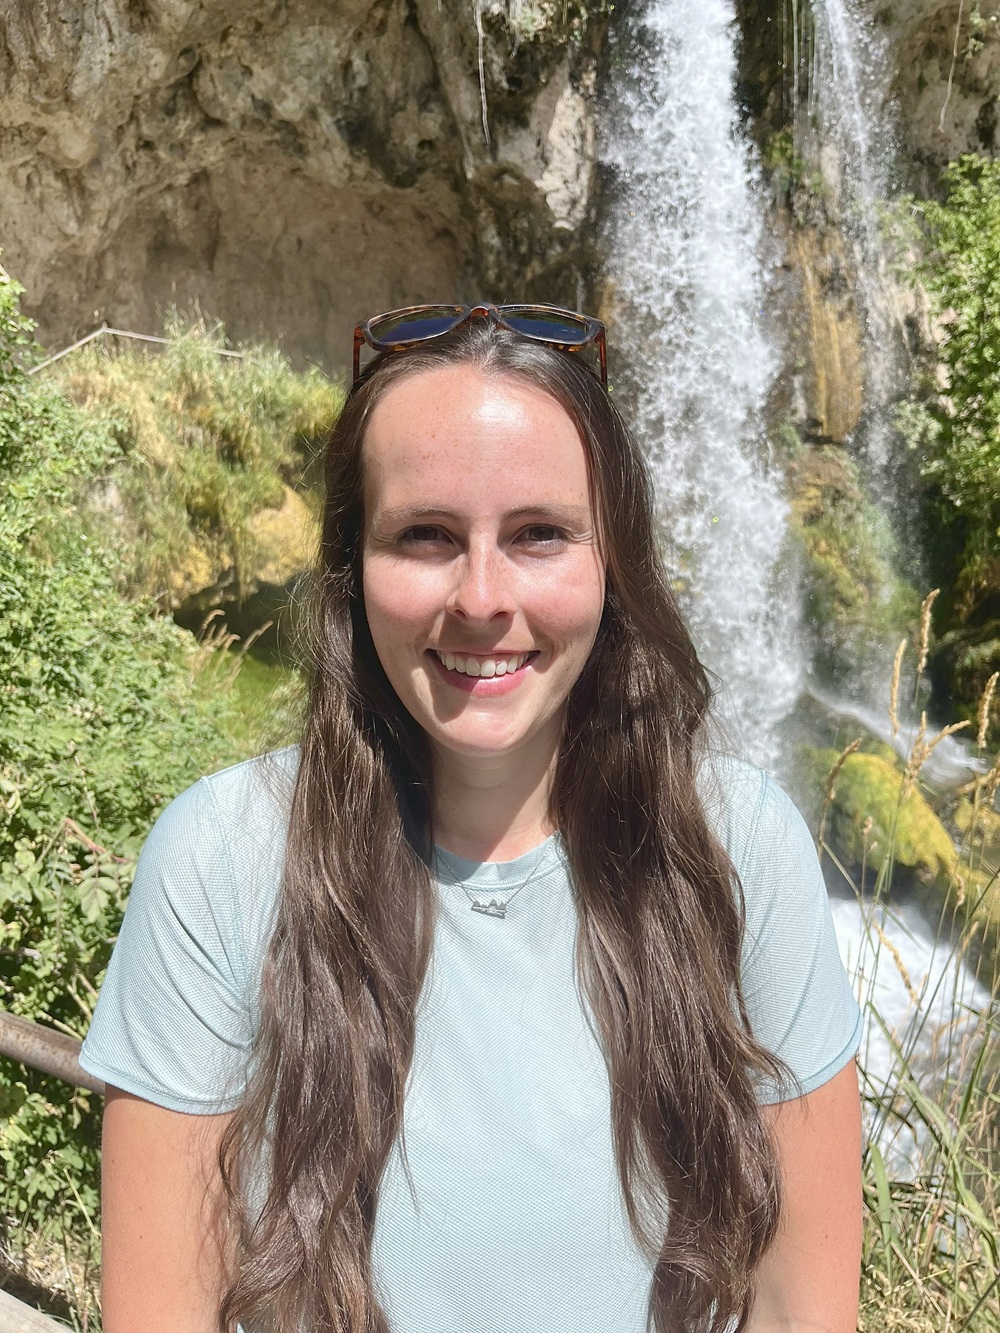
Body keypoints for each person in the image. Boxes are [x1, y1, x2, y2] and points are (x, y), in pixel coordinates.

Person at [81, 303, 864, 1333]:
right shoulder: (221, 861)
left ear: (612, 560)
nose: (483, 598)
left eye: (540, 533)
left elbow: (802, 1308)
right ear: (353, 568)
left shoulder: (740, 845)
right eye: (425, 535)